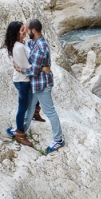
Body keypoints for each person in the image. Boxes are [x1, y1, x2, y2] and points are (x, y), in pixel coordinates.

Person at [23, 19, 65, 154]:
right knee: (30, 107)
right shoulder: (38, 40)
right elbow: (29, 44)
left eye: (27, 30)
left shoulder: (40, 48)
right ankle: (21, 130)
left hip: (42, 84)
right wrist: (43, 67)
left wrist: (20, 68)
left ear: (33, 31)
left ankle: (58, 140)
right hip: (37, 83)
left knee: (50, 111)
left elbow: (33, 71)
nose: (26, 32)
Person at [3, 21, 32, 146]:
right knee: (22, 108)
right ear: (16, 33)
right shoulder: (18, 47)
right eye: (22, 30)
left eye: (24, 28)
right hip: (22, 81)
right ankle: (20, 134)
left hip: (23, 80)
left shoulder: (22, 43)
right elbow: (28, 68)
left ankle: (18, 128)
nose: (25, 31)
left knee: (26, 105)